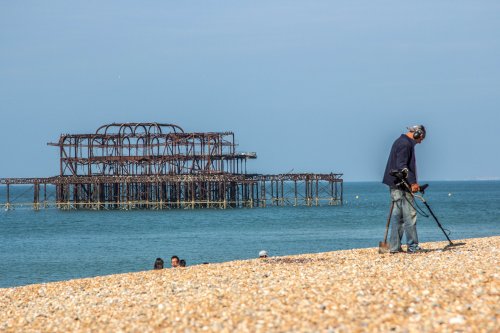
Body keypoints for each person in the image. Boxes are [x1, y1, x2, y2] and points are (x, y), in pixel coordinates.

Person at [382, 125, 426, 254]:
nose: (420, 141)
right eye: (421, 138)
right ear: (417, 133)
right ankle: (412, 247)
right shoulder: (405, 144)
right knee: (410, 215)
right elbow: (402, 166)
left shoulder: (401, 142)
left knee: (398, 216)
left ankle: (394, 248)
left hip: (396, 184)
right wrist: (412, 182)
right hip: (401, 185)